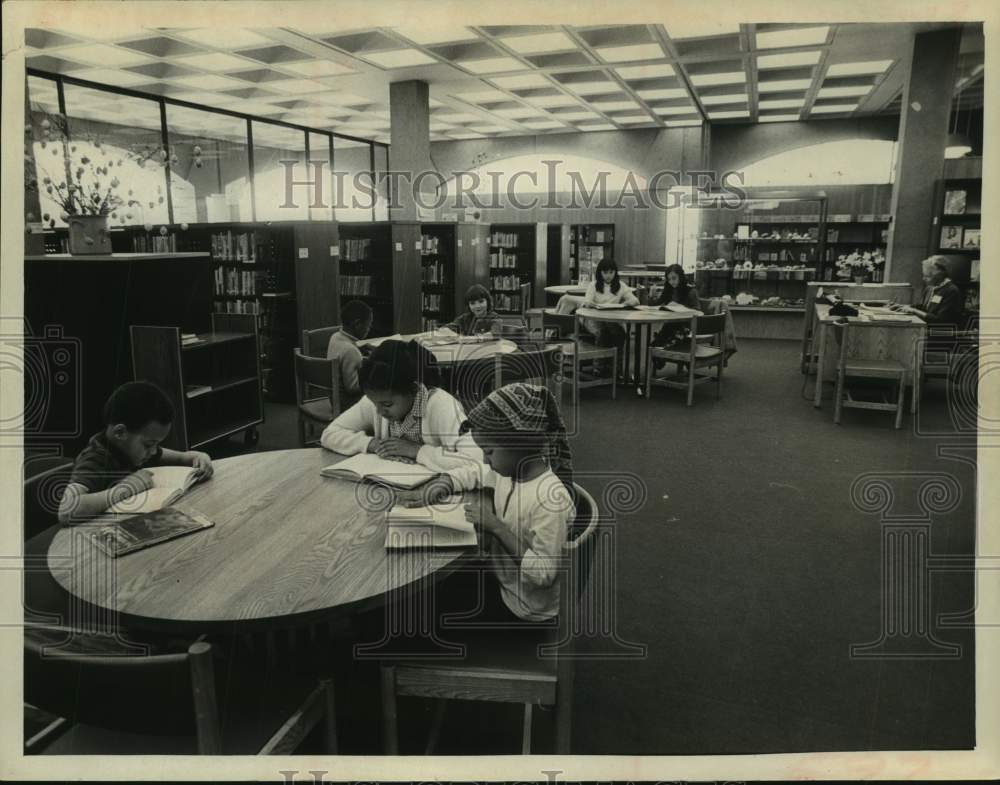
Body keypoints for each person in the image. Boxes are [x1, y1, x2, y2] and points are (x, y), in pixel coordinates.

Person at [457, 383, 576, 623]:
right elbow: (476, 471)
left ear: (520, 444)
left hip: (524, 609)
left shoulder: (549, 501)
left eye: (489, 452)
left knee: (437, 602)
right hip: (506, 582)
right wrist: (442, 483)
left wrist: (497, 528)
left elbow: (544, 574)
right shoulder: (510, 472)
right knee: (451, 584)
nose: (486, 460)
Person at [320, 340, 483, 495]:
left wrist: (417, 451)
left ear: (413, 389)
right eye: (374, 403)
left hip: (438, 494)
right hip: (390, 489)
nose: (379, 412)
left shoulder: (442, 406)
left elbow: (477, 462)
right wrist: (372, 444)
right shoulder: (377, 400)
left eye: (387, 405)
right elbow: (329, 434)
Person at [58, 382, 213, 524]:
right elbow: (66, 511)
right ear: (120, 433)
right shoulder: (95, 458)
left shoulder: (129, 448)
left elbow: (181, 457)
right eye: (148, 444)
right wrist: (125, 489)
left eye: (157, 444)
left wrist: (197, 456)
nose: (153, 452)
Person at [581, 259, 639, 376]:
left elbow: (635, 300)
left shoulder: (621, 285)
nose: (608, 276)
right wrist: (590, 303)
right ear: (600, 273)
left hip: (611, 319)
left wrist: (627, 303)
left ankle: (616, 369)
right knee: (603, 332)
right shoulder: (593, 285)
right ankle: (599, 367)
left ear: (615, 273)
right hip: (593, 319)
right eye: (605, 272)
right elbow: (587, 301)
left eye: (611, 272)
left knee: (620, 333)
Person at [326, 299, 374, 409]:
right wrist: (371, 368)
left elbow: (344, 355)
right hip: (347, 404)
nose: (369, 329)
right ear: (357, 324)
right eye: (368, 325)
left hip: (334, 398)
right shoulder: (351, 351)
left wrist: (358, 349)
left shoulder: (335, 336)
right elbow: (353, 389)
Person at [892, 256, 964, 326]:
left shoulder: (951, 291)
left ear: (939, 275)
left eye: (927, 276)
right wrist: (903, 306)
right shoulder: (929, 288)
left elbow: (940, 320)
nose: (924, 279)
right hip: (925, 327)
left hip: (939, 333)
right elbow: (923, 307)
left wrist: (914, 311)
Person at [651, 263, 701, 349]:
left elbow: (698, 311)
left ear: (681, 277)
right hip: (671, 325)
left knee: (658, 345)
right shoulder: (669, 290)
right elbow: (656, 304)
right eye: (669, 279)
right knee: (653, 346)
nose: (671, 282)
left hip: (685, 327)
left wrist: (680, 307)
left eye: (674, 278)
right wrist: (652, 296)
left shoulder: (690, 291)